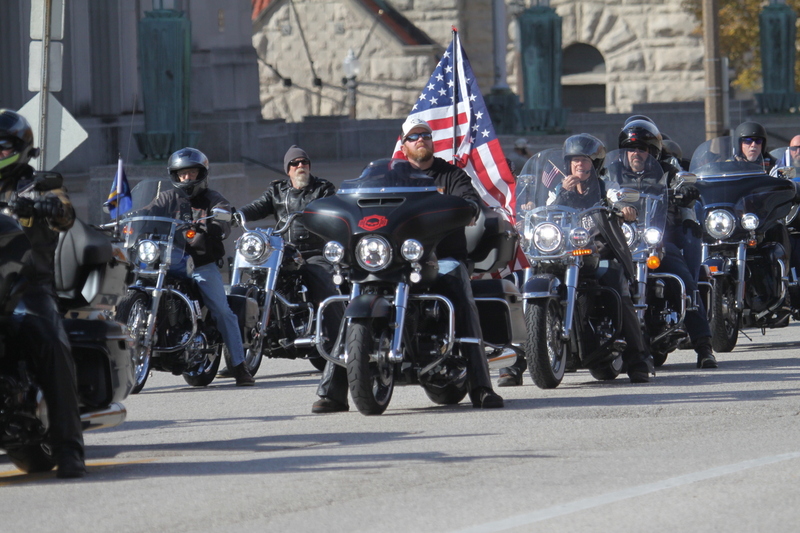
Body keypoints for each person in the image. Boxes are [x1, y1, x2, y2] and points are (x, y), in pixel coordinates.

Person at [0, 109, 85, 477]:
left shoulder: (40, 184)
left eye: (3, 149)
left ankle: (69, 447)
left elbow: (65, 212)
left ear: (21, 149)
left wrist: (46, 206)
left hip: (26, 286)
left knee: (49, 338)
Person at [399, 117, 504, 407]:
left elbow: (470, 202)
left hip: (443, 259)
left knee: (461, 293)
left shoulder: (451, 175)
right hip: (402, 260)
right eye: (414, 137)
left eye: (425, 136)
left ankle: (482, 387)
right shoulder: (394, 177)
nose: (420, 140)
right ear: (404, 144)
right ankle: (334, 387)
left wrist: (467, 207)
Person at [233, 146, 346, 413]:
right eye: (294, 163)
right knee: (250, 281)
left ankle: (335, 343)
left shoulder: (323, 189)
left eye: (304, 162)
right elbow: (258, 207)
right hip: (283, 251)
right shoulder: (277, 191)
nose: (300, 166)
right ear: (287, 169)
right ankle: (237, 354)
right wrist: (238, 214)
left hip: (315, 253)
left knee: (324, 285)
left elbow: (334, 208)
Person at [146, 147, 255, 386]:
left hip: (201, 265)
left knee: (222, 310)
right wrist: (127, 220)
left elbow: (223, 214)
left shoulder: (213, 199)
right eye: (182, 174)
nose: (187, 178)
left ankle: (239, 365)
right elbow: (148, 213)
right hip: (170, 263)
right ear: (175, 176)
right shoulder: (166, 198)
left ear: (201, 174)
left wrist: (218, 222)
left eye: (192, 173)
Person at [616, 120, 718, 369]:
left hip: (659, 241)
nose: (636, 153)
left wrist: (689, 191)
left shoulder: (667, 172)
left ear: (652, 151)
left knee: (683, 281)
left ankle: (704, 347)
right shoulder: (611, 174)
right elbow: (595, 190)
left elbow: (687, 186)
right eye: (630, 148)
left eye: (642, 148)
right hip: (622, 243)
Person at [555, 133, 653, 383]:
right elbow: (544, 211)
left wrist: (624, 208)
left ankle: (638, 361)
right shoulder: (558, 190)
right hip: (566, 256)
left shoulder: (605, 186)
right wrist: (559, 197)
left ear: (594, 164)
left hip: (601, 254)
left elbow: (616, 197)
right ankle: (520, 360)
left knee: (618, 291)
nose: (579, 165)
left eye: (585, 160)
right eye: (575, 160)